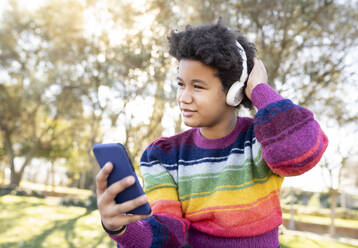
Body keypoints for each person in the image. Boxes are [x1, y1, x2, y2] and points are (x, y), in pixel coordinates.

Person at [95, 20, 328, 248]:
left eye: (198, 86)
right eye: (180, 84)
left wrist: (259, 89)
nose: (184, 97)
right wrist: (120, 229)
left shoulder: (263, 137)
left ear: (234, 92)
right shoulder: (162, 155)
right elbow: (166, 236)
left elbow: (302, 150)